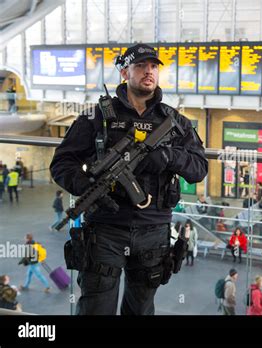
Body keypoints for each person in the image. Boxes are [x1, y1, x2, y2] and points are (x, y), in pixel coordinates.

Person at [49, 43, 208, 315]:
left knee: (141, 310)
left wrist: (169, 156)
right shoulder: (96, 116)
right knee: (95, 309)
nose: (149, 72)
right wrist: (88, 186)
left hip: (154, 231)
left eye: (154, 66)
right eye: (140, 66)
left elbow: (199, 167)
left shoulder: (175, 121)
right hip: (105, 230)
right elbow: (62, 163)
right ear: (124, 72)